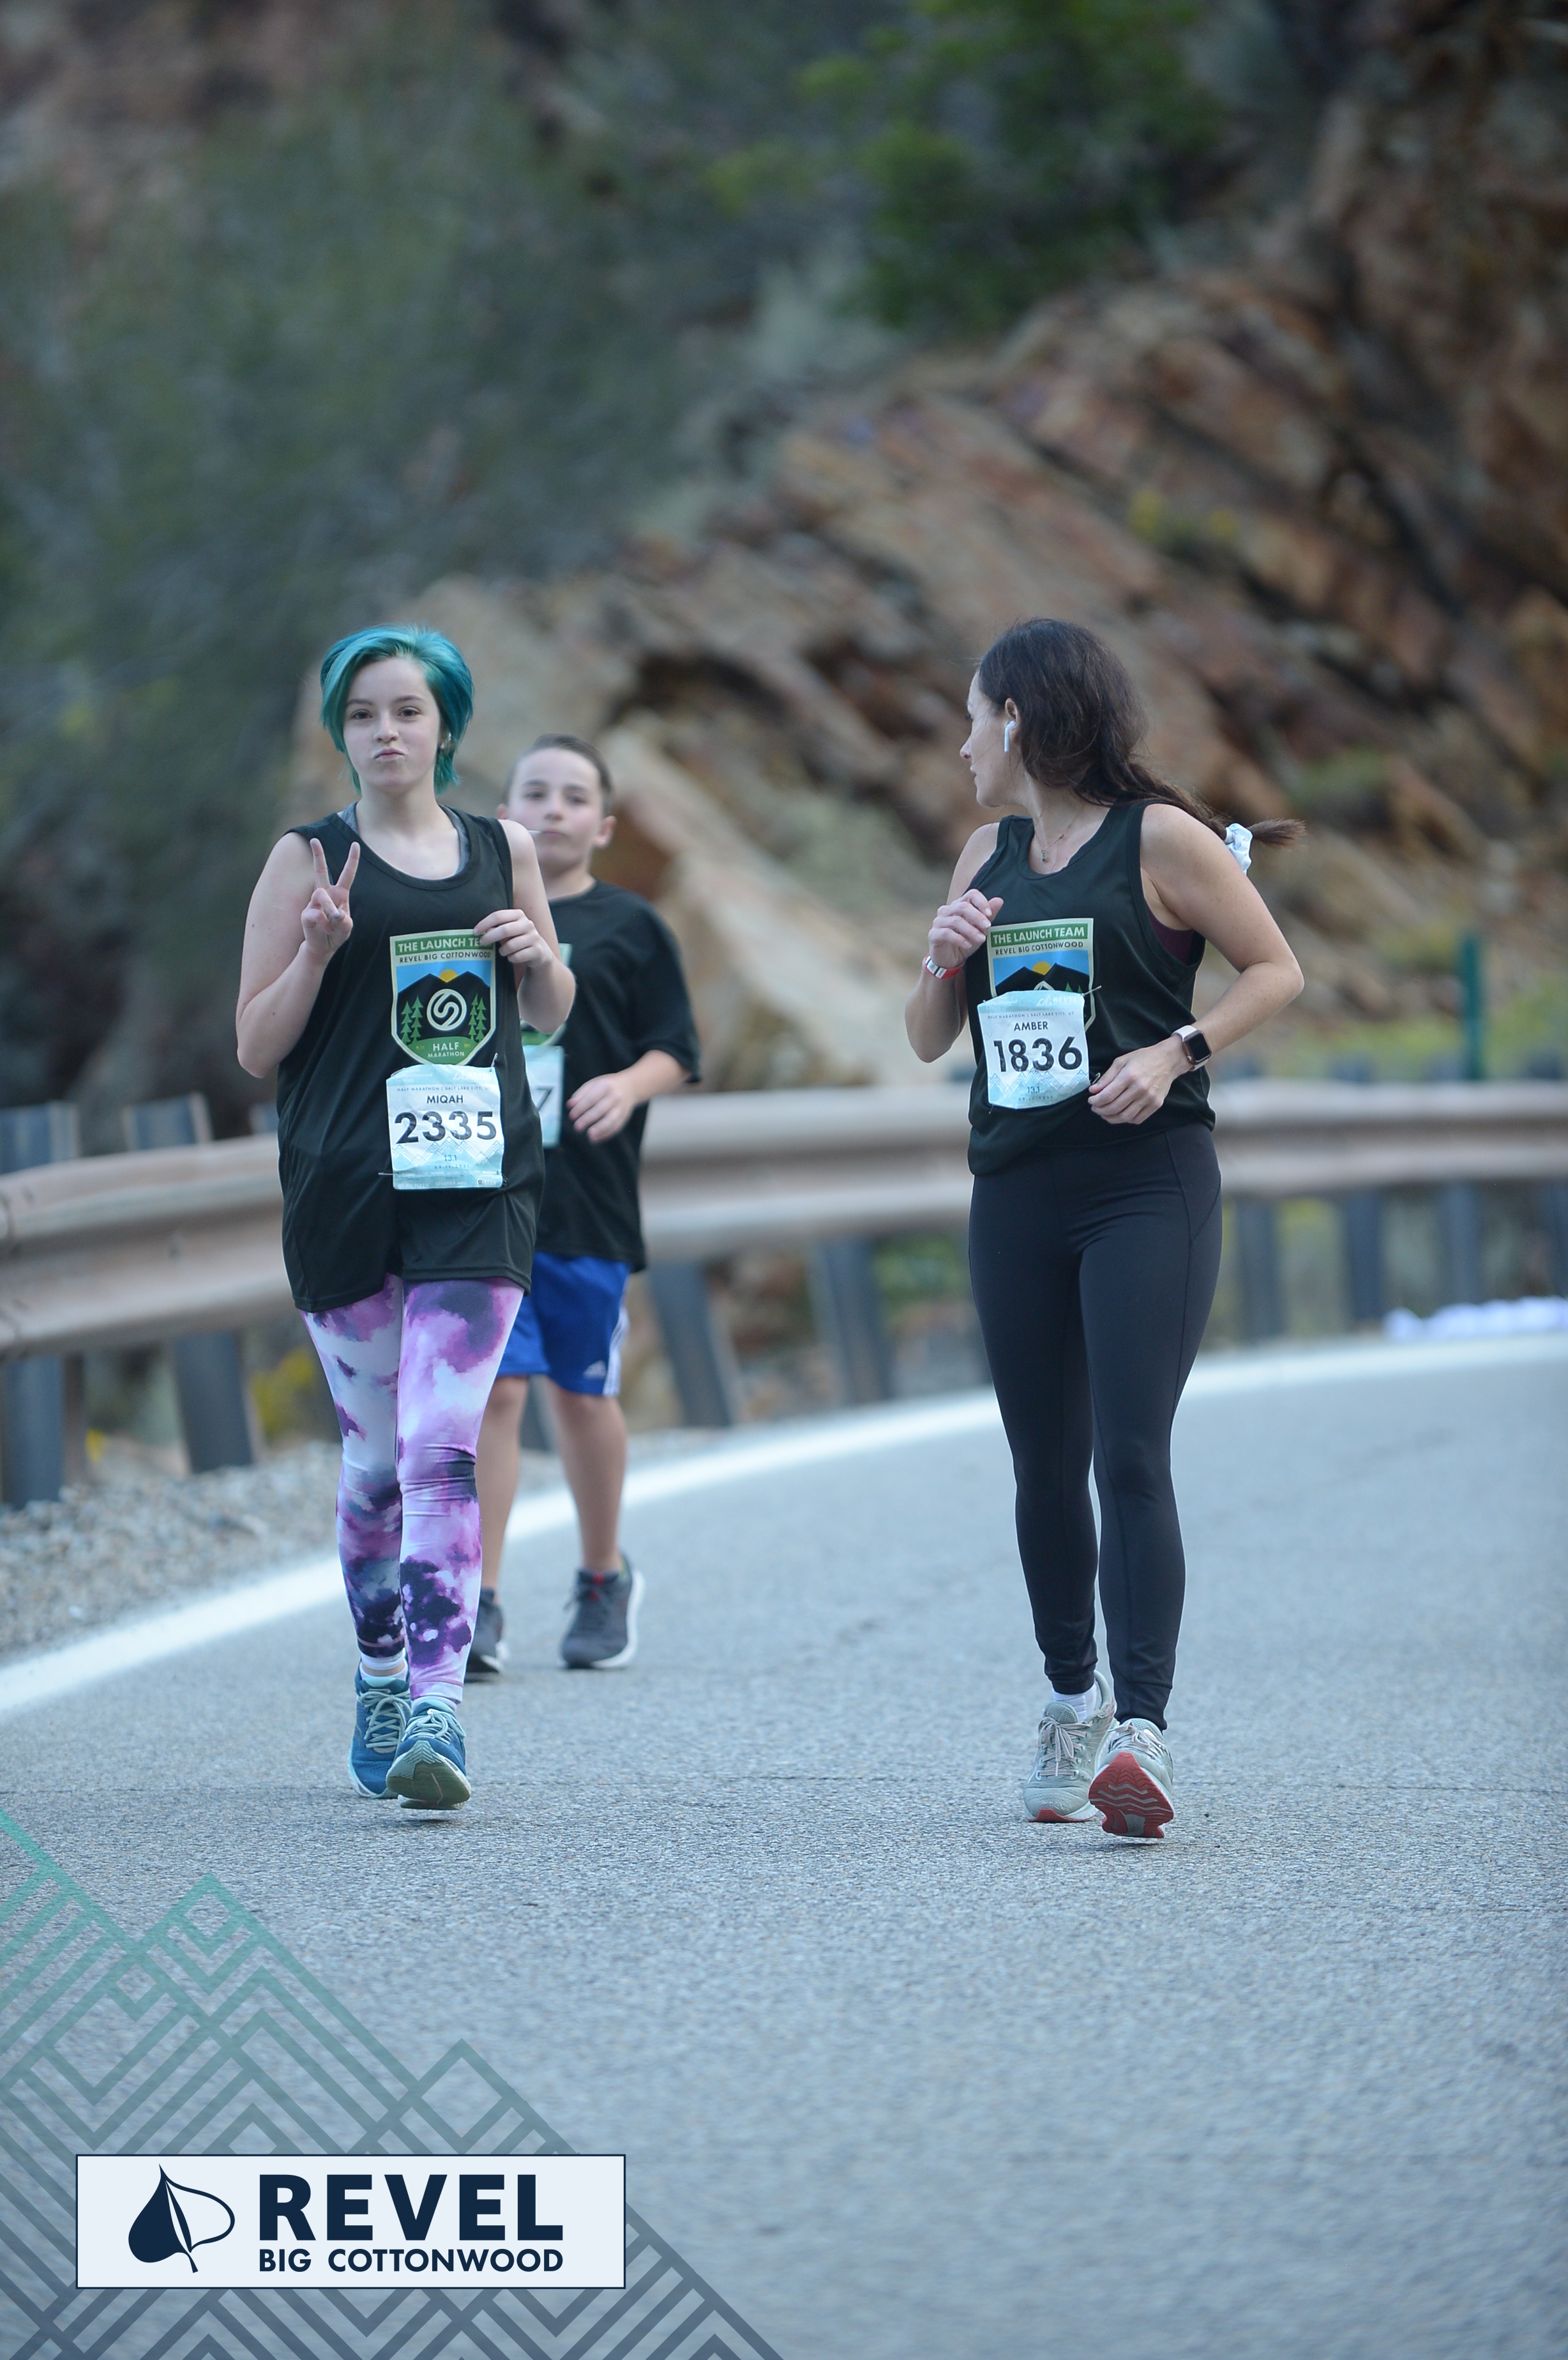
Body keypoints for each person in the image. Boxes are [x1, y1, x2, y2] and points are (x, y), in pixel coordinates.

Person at [905, 619, 1303, 1838]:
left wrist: (1176, 1050)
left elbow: (1275, 970)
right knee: (1042, 1463)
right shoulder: (986, 853)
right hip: (1017, 1190)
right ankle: (1069, 1703)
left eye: (972, 719)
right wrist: (940, 960)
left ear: (1017, 718)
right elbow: (927, 1039)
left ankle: (1143, 1731)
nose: (964, 747)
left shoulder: (1163, 839)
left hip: (1146, 1185)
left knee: (1129, 1455)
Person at [236, 626, 574, 1810]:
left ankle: (437, 1707)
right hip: (346, 1187)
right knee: (378, 1464)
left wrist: (536, 956)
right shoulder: (306, 860)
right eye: (364, 713)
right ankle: (381, 1675)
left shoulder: (502, 849)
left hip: (477, 1185)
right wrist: (315, 955)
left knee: (441, 1449)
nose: (387, 731)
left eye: (409, 711)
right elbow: (255, 1045)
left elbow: (549, 1009)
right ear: (342, 732)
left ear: (446, 727)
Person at [471, 734, 699, 1675]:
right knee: (495, 1392)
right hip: (484, 1194)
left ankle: (603, 1575)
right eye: (536, 792)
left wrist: (627, 1087)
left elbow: (676, 1046)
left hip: (588, 1201)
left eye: (575, 797)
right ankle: (477, 1599)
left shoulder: (631, 926)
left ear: (604, 826)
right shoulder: (472, 914)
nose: (554, 809)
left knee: (580, 1392)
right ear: (505, 816)